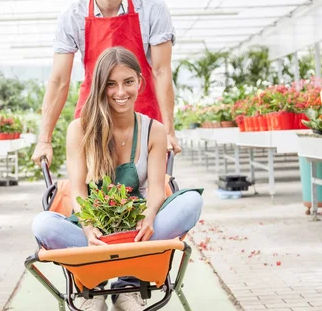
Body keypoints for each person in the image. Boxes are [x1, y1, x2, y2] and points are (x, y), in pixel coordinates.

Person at [32, 47, 203, 311]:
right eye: (111, 84)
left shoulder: (153, 130)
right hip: (94, 233)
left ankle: (126, 288)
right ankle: (94, 287)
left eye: (128, 82)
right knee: (43, 224)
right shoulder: (80, 128)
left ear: (139, 82)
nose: (121, 93)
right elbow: (78, 189)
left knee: (191, 201)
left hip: (138, 232)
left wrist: (148, 215)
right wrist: (88, 226)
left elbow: (157, 189)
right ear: (100, 86)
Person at [31, 0, 181, 168]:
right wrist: (44, 140)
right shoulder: (72, 16)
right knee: (93, 191)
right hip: (94, 113)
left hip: (142, 109)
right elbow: (59, 80)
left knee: (148, 189)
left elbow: (161, 71)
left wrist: (169, 131)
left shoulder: (153, 9)